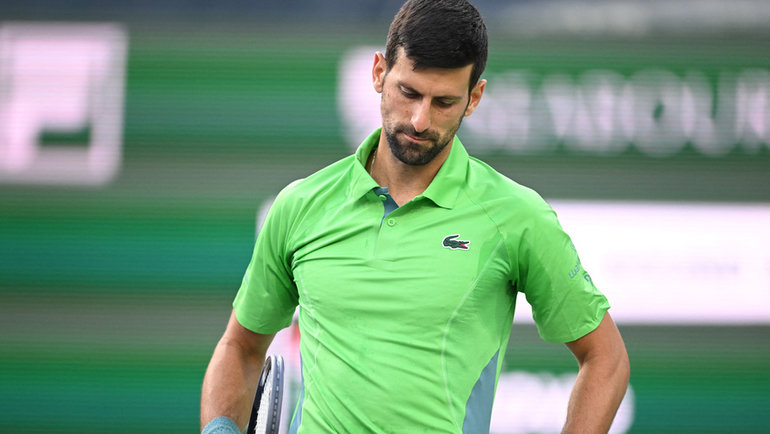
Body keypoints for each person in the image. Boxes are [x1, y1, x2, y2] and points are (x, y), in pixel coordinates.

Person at [200, 0, 630, 432]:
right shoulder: (300, 205)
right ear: (378, 73)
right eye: (408, 92)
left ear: (474, 98)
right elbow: (240, 347)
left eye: (444, 102)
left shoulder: (517, 217)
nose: (420, 120)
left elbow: (605, 358)